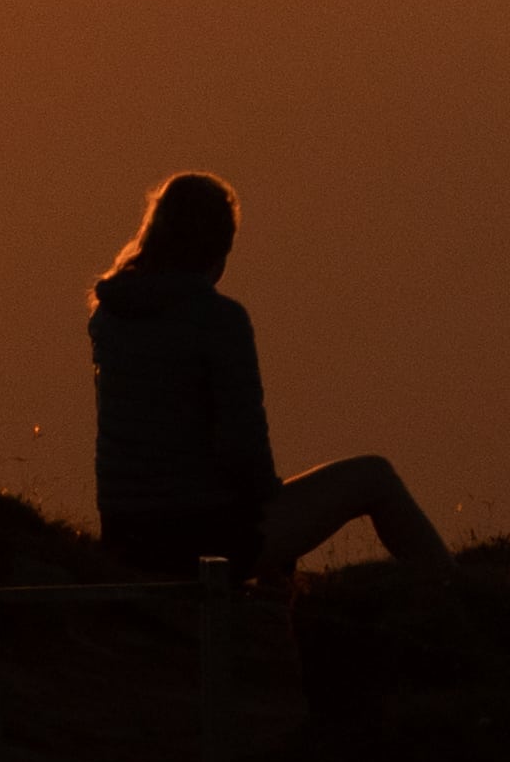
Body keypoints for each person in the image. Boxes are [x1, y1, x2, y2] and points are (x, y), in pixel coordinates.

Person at [86, 169, 445, 579]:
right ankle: (470, 603)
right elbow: (244, 449)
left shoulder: (111, 314)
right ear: (219, 247)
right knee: (374, 477)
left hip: (125, 537)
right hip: (203, 541)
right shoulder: (218, 320)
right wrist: (275, 517)